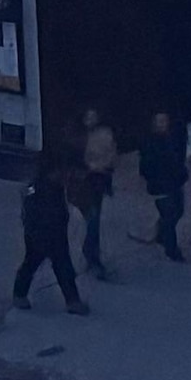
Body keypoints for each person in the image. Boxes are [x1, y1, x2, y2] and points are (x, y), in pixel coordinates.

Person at [11, 156, 90, 315]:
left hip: (53, 233)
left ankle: (70, 300)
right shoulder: (39, 189)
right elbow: (32, 213)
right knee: (42, 264)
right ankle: (71, 301)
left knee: (55, 266)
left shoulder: (55, 187)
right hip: (43, 234)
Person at [138, 105, 191, 262]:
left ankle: (162, 234)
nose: (162, 123)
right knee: (169, 214)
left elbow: (178, 157)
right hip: (161, 184)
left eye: (164, 120)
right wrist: (154, 178)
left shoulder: (172, 138)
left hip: (175, 181)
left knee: (178, 211)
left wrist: (181, 172)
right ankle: (172, 249)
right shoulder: (150, 141)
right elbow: (145, 165)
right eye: (159, 121)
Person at [74, 106, 121, 278]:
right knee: (92, 219)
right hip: (84, 182)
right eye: (88, 117)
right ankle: (91, 255)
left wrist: (101, 165)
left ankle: (91, 253)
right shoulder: (79, 136)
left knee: (94, 220)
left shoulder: (105, 134)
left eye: (93, 116)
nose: (90, 120)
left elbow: (112, 154)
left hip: (97, 181)